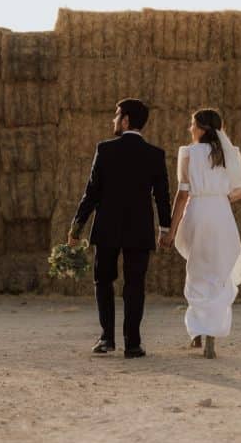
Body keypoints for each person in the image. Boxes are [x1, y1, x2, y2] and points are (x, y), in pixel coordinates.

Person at [68, 98, 171, 358]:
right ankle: (133, 344)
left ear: (125, 121)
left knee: (103, 281)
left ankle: (107, 339)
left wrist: (76, 227)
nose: (113, 120)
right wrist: (165, 228)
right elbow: (162, 196)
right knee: (135, 285)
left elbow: (91, 193)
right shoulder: (155, 155)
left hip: (107, 228)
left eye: (116, 116)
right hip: (140, 229)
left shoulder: (105, 150)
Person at [160, 109, 241, 359]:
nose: (190, 129)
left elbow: (182, 194)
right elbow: (239, 192)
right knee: (219, 273)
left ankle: (198, 332)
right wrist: (218, 197)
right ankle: (211, 335)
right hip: (220, 213)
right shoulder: (231, 154)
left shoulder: (188, 153)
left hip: (197, 211)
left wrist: (170, 230)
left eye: (192, 125)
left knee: (197, 270)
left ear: (201, 129)